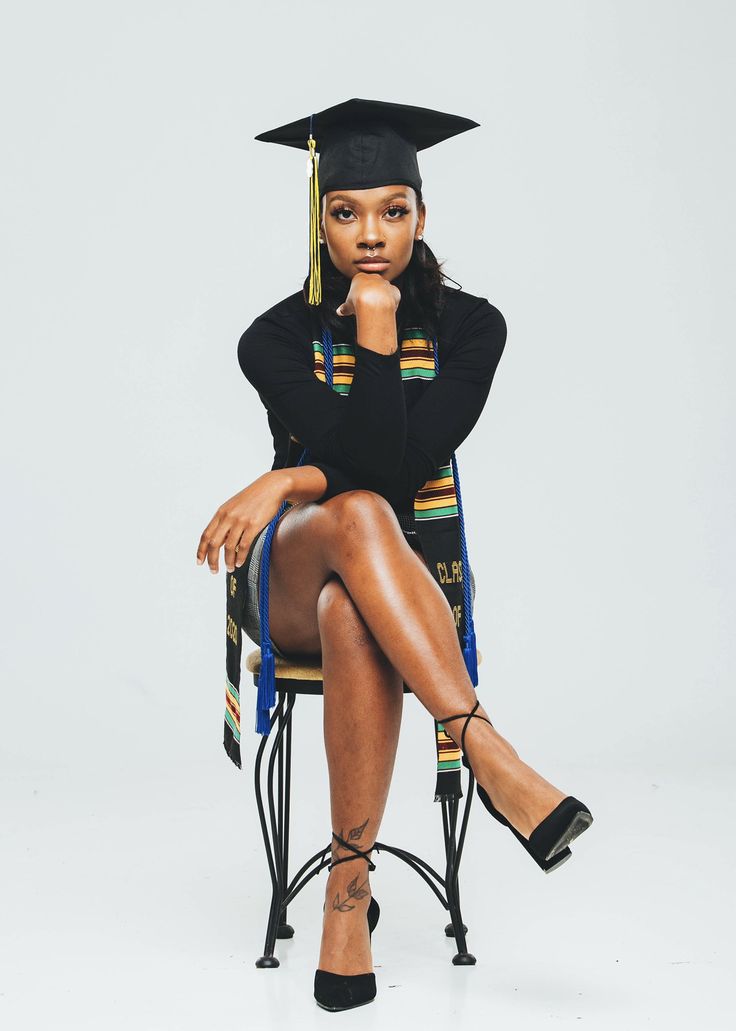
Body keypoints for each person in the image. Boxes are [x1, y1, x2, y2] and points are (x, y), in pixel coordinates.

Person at [196, 98, 593, 1012]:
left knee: (356, 604)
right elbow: (369, 478)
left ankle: (348, 895)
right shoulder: (277, 336)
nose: (371, 235)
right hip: (288, 572)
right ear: (318, 218)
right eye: (346, 213)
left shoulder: (473, 327)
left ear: (422, 213)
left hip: (394, 583)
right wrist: (366, 343)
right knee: (355, 518)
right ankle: (488, 752)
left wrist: (283, 478)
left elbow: (400, 467)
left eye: (393, 210)